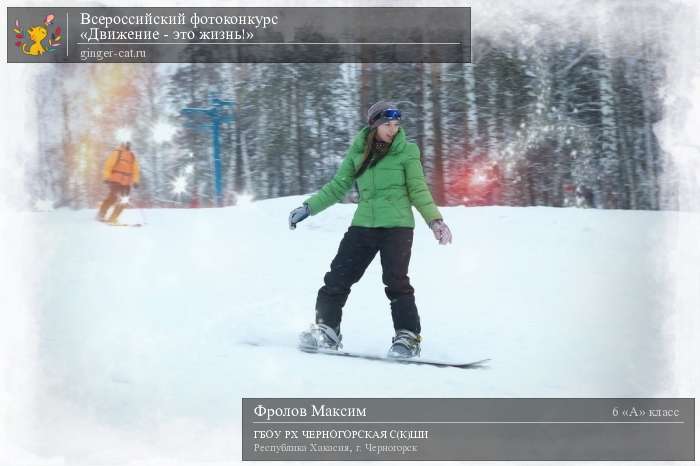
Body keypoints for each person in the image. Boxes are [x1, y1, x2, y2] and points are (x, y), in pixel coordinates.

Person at [289, 101, 453, 359]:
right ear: (374, 125)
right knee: (337, 277)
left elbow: (418, 189)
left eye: (396, 125)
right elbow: (337, 187)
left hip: (397, 226)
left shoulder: (407, 151)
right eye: (387, 124)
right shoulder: (358, 153)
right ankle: (327, 329)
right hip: (364, 224)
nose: (392, 129)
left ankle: (408, 337)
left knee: (396, 281)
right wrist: (308, 208)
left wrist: (435, 220)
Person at [97, 141, 140, 224]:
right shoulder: (117, 152)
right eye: (126, 143)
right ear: (122, 144)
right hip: (115, 180)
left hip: (126, 183)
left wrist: (136, 181)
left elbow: (135, 170)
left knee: (124, 201)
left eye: (129, 144)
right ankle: (101, 214)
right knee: (113, 197)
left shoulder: (132, 155)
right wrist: (106, 177)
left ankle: (113, 218)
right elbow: (108, 165)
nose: (128, 145)